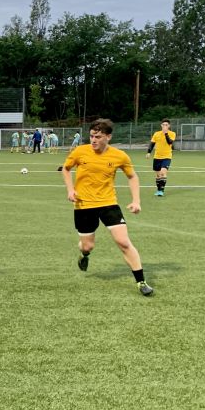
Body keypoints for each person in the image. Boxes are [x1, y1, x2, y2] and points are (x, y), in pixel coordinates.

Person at [61, 118, 154, 296]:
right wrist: (70, 190)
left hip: (108, 203)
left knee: (123, 242)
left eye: (98, 137)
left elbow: (132, 177)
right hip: (84, 205)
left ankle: (141, 281)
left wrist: (136, 201)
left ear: (108, 137)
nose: (93, 140)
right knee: (87, 246)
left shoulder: (120, 156)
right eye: (91, 136)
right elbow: (66, 169)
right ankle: (84, 255)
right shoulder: (80, 151)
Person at [146, 118, 176, 197]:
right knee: (158, 175)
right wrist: (149, 152)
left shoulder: (172, 133)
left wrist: (166, 134)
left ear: (169, 126)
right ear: (161, 125)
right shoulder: (156, 134)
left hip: (167, 156)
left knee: (163, 173)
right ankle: (158, 190)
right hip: (157, 157)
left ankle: (161, 191)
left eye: (166, 125)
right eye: (163, 125)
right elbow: (152, 144)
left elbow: (170, 142)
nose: (165, 126)